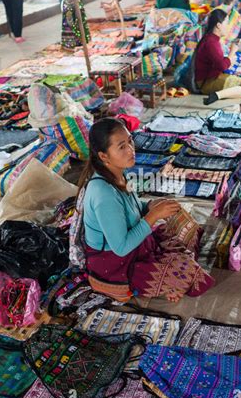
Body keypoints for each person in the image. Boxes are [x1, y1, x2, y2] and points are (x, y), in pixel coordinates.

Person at [78, 118, 215, 303]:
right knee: (190, 275)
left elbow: (132, 208)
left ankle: (165, 265)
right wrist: (154, 215)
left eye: (130, 141)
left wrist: (150, 206)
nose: (131, 149)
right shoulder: (104, 194)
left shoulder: (120, 173)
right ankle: (150, 277)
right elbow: (121, 247)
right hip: (116, 264)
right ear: (103, 156)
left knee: (182, 230)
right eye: (121, 147)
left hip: (134, 247)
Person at [194, 8, 241, 104]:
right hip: (207, 82)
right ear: (218, 25)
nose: (228, 26)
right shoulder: (211, 42)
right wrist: (232, 52)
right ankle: (217, 95)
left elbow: (218, 63)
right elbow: (222, 66)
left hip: (210, 78)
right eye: (226, 23)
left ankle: (219, 94)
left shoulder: (212, 39)